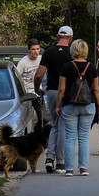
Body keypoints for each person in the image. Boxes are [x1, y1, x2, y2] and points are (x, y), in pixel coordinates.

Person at [56, 39, 99, 176]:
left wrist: (57, 106)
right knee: (84, 137)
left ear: (73, 50)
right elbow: (96, 89)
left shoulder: (67, 67)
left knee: (70, 137)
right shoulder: (92, 67)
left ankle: (69, 169)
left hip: (69, 105)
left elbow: (61, 89)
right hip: (88, 105)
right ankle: (83, 168)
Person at [34, 25, 74, 173]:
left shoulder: (49, 52)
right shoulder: (73, 52)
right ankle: (60, 162)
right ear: (70, 38)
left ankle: (49, 158)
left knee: (55, 124)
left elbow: (39, 75)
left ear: (57, 37)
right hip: (67, 92)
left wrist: (37, 88)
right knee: (63, 125)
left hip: (51, 91)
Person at [15, 38, 44, 126]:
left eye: (38, 49)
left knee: (42, 118)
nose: (36, 52)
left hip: (37, 92)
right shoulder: (23, 62)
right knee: (26, 118)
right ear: (29, 50)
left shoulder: (41, 59)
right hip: (26, 94)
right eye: (33, 49)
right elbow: (17, 78)